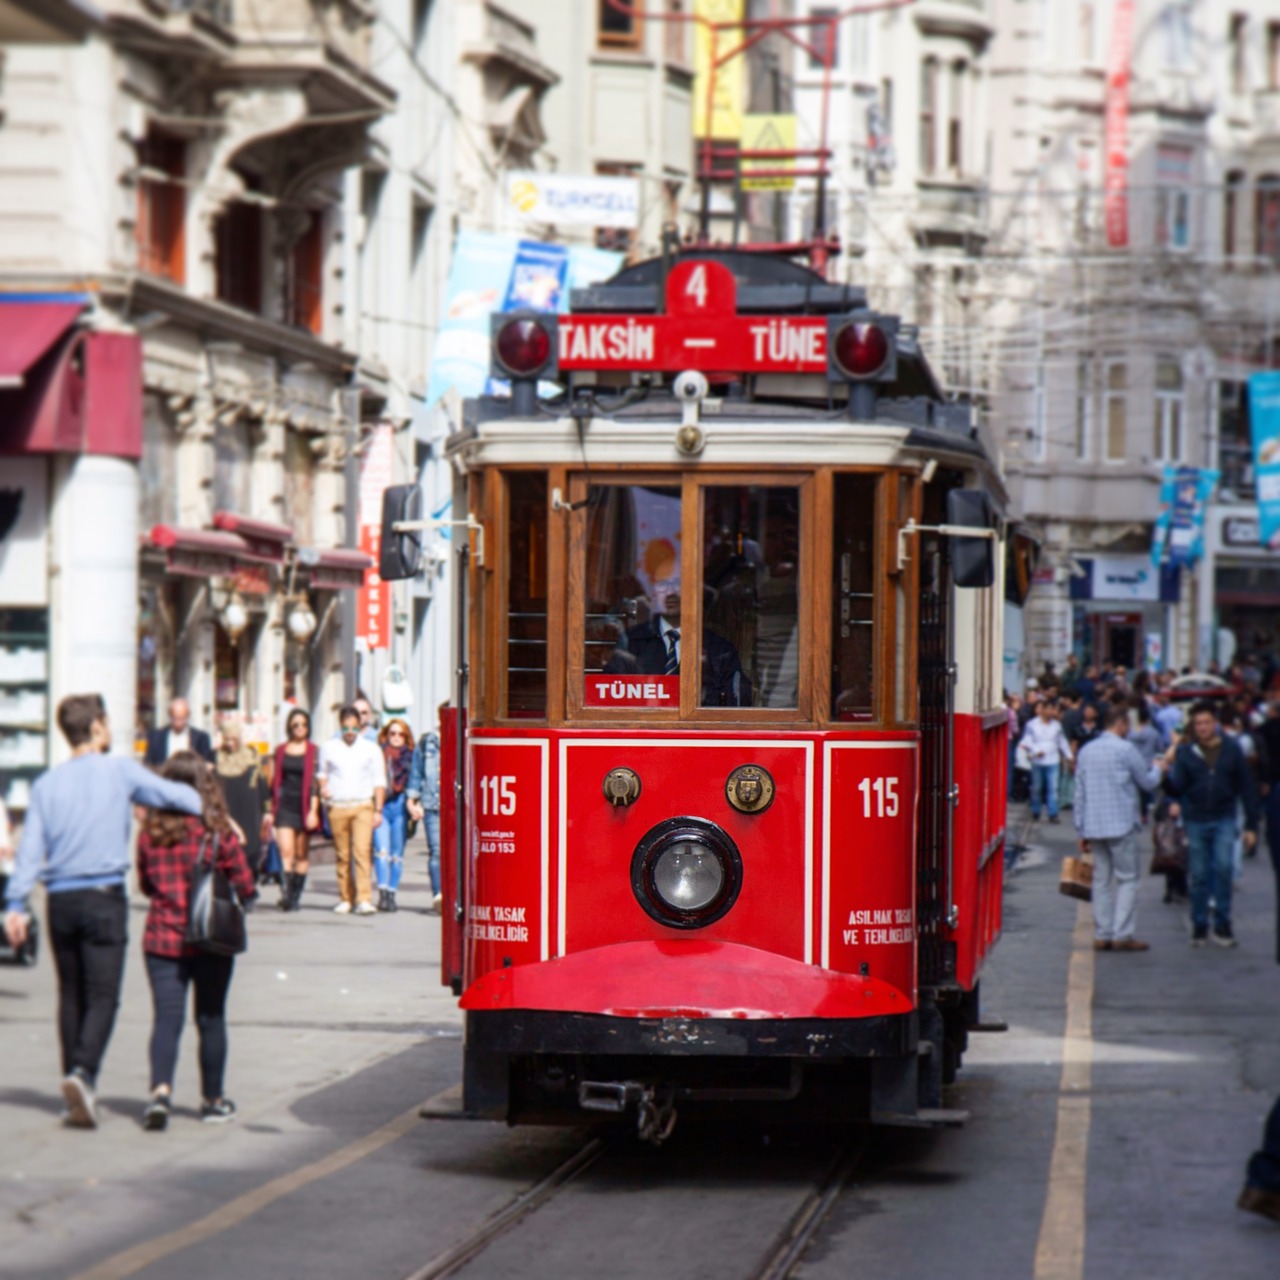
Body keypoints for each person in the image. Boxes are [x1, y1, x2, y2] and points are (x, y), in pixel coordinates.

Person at [3, 694, 202, 1128]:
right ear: (95, 727)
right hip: (103, 896)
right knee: (103, 995)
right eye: (108, 722)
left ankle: (75, 1089)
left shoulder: (46, 784)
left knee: (70, 994)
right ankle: (82, 1072)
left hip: (60, 901)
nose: (111, 729)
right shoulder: (119, 770)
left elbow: (30, 849)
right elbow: (177, 796)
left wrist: (15, 905)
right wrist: (216, 810)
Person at [136, 751, 256, 1130]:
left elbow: (145, 884)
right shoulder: (217, 832)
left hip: (162, 939)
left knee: (167, 1019)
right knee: (211, 1018)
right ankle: (213, 1101)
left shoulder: (150, 834)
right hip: (210, 938)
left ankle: (160, 1094)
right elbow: (245, 885)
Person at [1163, 700, 1260, 948]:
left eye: (1207, 723)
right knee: (1198, 875)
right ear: (1193, 727)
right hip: (1196, 818)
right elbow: (1178, 787)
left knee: (1224, 869)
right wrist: (1165, 775)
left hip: (1224, 817)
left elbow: (1246, 786)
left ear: (1215, 723)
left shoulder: (1232, 749)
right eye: (1198, 724)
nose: (1203, 727)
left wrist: (1251, 824)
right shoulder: (1186, 753)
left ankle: (1222, 924)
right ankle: (1199, 925)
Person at [1073, 704, 1165, 951]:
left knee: (1101, 880)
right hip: (1121, 824)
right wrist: (1160, 768)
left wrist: (1080, 829)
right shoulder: (1126, 749)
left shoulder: (1086, 751)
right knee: (1128, 880)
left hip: (1093, 825)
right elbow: (1146, 783)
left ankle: (1102, 934)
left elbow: (1079, 793)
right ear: (1121, 724)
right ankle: (1122, 934)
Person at [319, 704, 387, 916]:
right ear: (340, 727)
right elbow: (322, 772)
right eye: (346, 728)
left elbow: (379, 780)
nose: (350, 732)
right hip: (338, 805)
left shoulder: (371, 749)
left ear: (360, 726)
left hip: (362, 805)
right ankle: (345, 898)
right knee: (342, 854)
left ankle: (364, 899)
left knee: (362, 852)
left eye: (354, 728)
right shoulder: (329, 747)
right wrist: (323, 787)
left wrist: (378, 809)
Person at [268, 709, 320, 912]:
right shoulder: (280, 750)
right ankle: (287, 895)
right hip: (284, 806)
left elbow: (315, 783)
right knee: (285, 851)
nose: (300, 728)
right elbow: (274, 781)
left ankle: (296, 895)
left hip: (305, 806)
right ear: (289, 727)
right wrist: (271, 809)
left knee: (301, 854)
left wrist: (313, 811)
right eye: (295, 725)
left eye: (304, 725)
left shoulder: (314, 750)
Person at [214, 719, 270, 876]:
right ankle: (228, 893)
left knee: (250, 851)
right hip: (227, 808)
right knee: (226, 851)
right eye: (227, 740)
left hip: (249, 810)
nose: (230, 744)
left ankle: (247, 886)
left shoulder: (251, 757)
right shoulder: (217, 757)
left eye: (234, 740)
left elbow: (262, 785)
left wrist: (267, 811)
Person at [373, 718, 414, 912]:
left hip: (400, 806)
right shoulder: (378, 753)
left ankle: (391, 894)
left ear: (406, 737)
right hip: (382, 803)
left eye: (401, 734)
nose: (396, 737)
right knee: (382, 852)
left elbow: (415, 782)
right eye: (392, 733)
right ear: (386, 735)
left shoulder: (412, 756)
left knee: (396, 855)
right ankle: (382, 893)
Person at [407, 719, 443, 913]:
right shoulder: (426, 742)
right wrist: (412, 799)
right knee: (436, 850)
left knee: (457, 853)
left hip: (456, 806)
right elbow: (416, 772)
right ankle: (438, 895)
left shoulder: (462, 736)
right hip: (431, 804)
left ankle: (454, 896)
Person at [1020, 700, 1072, 823]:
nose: (1051, 712)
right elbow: (1027, 741)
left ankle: (1052, 813)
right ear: (1042, 710)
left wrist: (1069, 755)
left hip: (1053, 759)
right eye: (1048, 709)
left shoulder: (1057, 725)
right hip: (1038, 760)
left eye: (1052, 709)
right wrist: (1035, 750)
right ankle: (1035, 811)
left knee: (1053, 788)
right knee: (1037, 787)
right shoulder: (1032, 724)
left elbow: (1062, 741)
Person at [145, 698, 214, 766]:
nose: (178, 723)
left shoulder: (201, 738)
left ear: (188, 716)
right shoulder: (156, 737)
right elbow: (149, 763)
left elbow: (207, 763)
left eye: (181, 718)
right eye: (175, 718)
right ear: (170, 715)